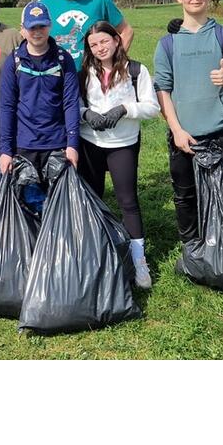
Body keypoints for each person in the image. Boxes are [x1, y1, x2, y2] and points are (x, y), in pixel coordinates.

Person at [153, 0, 223, 246]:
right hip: (185, 135)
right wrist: (176, 131)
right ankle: (192, 246)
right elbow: (162, 91)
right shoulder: (167, 44)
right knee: (186, 195)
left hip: (222, 132)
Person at [77, 21, 160, 288]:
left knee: (128, 201)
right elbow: (74, 105)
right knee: (92, 200)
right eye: (93, 44)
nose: (100, 48)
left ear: (116, 40)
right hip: (90, 142)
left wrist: (125, 109)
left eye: (104, 41)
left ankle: (139, 260)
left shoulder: (135, 70)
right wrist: (86, 115)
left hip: (123, 144)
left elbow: (152, 107)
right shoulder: (83, 72)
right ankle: (93, 254)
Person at [0, 1, 80, 211]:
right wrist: (5, 150)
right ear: (23, 29)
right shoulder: (13, 62)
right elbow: (7, 107)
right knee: (29, 205)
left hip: (57, 144)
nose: (37, 32)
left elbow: (71, 103)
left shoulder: (63, 59)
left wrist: (72, 145)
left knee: (58, 206)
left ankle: (54, 234)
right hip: (24, 145)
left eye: (42, 26)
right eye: (32, 27)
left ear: (50, 26)